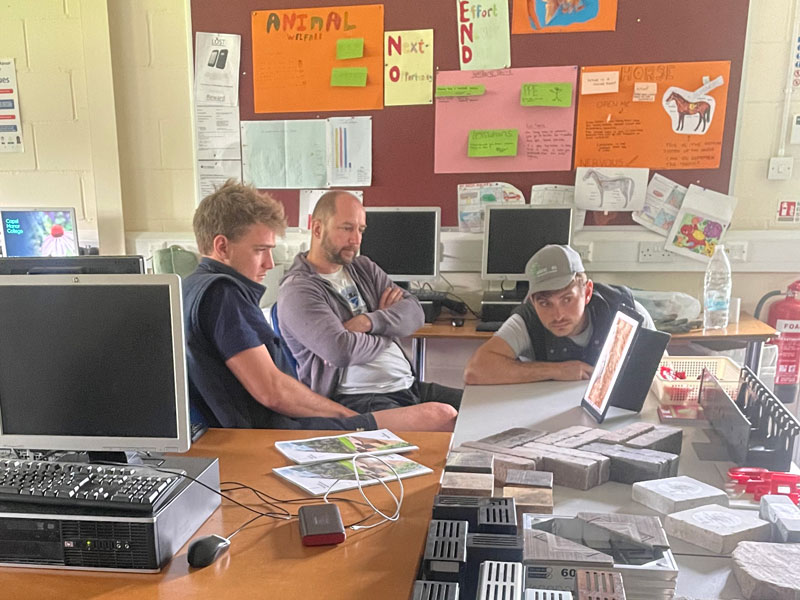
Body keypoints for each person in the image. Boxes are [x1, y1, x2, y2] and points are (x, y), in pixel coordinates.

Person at [182, 180, 456, 432]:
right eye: (259, 250)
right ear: (222, 246)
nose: (269, 263)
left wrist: (369, 324)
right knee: (442, 417)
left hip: (293, 419)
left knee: (469, 410)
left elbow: (414, 312)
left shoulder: (192, 287)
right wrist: (351, 419)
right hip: (274, 434)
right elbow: (273, 391)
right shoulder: (224, 295)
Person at [277, 191, 463, 415]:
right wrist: (388, 329)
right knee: (445, 425)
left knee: (484, 410)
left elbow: (415, 312)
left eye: (361, 230)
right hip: (360, 398)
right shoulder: (299, 290)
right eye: (347, 228)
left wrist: (369, 321)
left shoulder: (363, 268)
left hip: (408, 387)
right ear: (317, 229)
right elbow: (341, 350)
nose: (356, 240)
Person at [464, 244, 655, 385]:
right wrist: (557, 370)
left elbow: (660, 371)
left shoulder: (626, 310)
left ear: (587, 292)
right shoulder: (526, 320)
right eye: (545, 303)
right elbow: (476, 370)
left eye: (566, 299)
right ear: (532, 302)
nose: (558, 315)